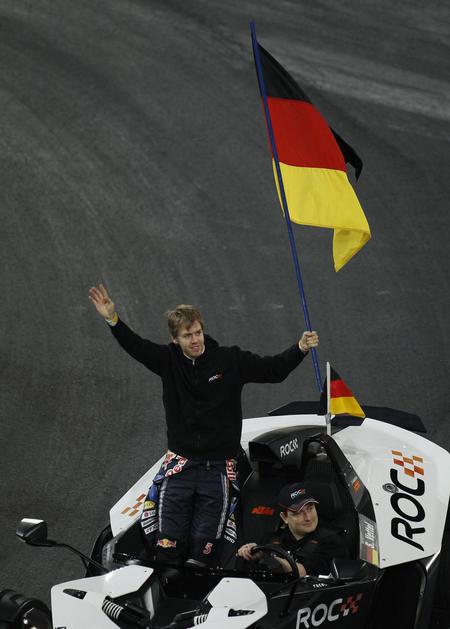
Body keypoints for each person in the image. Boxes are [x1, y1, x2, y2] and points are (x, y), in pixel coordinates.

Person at [88, 284, 319, 566]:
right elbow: (136, 346)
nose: (195, 340)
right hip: (180, 467)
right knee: (168, 544)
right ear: (175, 339)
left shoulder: (229, 360)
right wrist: (113, 319)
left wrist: (300, 349)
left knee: (204, 550)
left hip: (218, 469)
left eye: (197, 332)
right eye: (187, 336)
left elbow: (273, 370)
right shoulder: (167, 361)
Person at [237, 482, 347, 576]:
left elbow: (303, 572)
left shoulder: (331, 541)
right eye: (298, 513)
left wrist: (269, 557)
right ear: (284, 518)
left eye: (310, 508)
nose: (308, 517)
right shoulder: (274, 539)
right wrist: (251, 552)